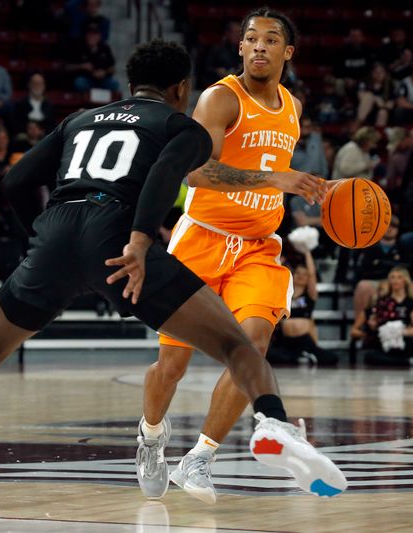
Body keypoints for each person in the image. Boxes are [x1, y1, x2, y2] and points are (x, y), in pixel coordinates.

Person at [0, 38, 345, 526]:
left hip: (55, 233)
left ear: (130, 83)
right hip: (117, 243)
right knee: (238, 346)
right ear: (182, 88)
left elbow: (14, 181)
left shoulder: (79, 119)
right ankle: (274, 423)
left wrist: (42, 235)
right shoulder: (182, 125)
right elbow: (162, 179)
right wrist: (139, 242)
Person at [139, 9, 332, 504]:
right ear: (241, 49)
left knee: (253, 343)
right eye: (251, 39)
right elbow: (195, 173)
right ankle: (151, 435)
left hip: (258, 248)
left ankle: (200, 457)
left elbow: (275, 173)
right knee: (171, 365)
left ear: (288, 52)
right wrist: (277, 180)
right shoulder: (221, 97)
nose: (260, 46)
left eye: (271, 40)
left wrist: (315, 190)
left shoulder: (292, 104)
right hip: (202, 238)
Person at [275, 246, 338, 365]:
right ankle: (300, 358)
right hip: (286, 341)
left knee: (331, 359)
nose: (300, 276)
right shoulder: (285, 293)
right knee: (271, 356)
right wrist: (280, 263)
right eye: (298, 273)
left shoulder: (310, 294)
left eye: (304, 274)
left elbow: (312, 274)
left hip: (305, 340)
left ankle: (306, 355)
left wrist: (307, 253)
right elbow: (277, 277)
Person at [66, 23, 118, 92]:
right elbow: (67, 67)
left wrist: (104, 72)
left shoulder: (105, 48)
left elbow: (112, 68)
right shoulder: (79, 48)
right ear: (86, 36)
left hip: (102, 80)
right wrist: (81, 66)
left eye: (95, 34)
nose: (92, 37)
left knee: (114, 84)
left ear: (99, 36)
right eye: (90, 34)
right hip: (86, 79)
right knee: (79, 82)